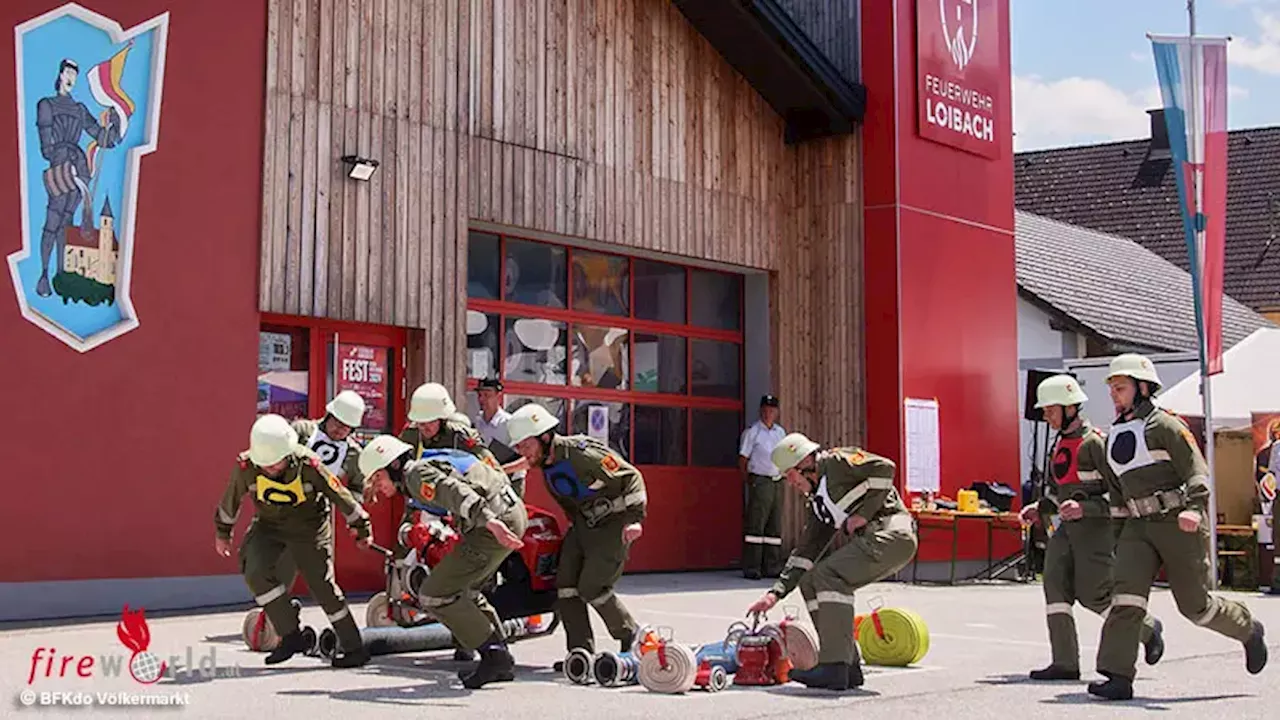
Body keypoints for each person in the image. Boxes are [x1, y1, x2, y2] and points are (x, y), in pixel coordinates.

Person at [1089, 354, 1267, 700]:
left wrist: (1196, 509)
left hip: (1177, 522)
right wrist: (1117, 533)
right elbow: (1116, 490)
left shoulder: (1165, 426)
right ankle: (1118, 675)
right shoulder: (1112, 437)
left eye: (1120, 387)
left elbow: (1196, 470)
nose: (1114, 394)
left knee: (1195, 606)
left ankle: (1247, 628)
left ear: (1142, 388)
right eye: (1111, 388)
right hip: (1137, 527)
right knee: (1126, 596)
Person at [1020, 374, 1165, 681]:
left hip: (1094, 531)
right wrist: (1040, 507)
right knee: (1054, 587)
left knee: (1094, 595)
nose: (1046, 416)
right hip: (1063, 529)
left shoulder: (1096, 443)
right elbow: (1058, 490)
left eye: (1050, 410)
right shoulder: (1059, 444)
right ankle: (1065, 662)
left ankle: (1147, 629)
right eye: (1044, 410)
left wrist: (1084, 508)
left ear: (1070, 408)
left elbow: (1118, 493)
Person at [745, 432, 917, 691]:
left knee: (827, 575)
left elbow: (885, 468)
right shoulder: (820, 505)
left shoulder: (837, 462)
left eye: (790, 475)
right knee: (810, 580)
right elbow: (805, 553)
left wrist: (862, 515)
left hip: (892, 536)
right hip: (878, 541)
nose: (791, 483)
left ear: (804, 464)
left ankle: (834, 666)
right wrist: (774, 595)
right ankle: (847, 666)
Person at [358, 436, 527, 689]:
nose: (378, 487)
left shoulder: (415, 474)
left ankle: (495, 656)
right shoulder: (424, 467)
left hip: (491, 524)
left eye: (378, 478)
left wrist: (489, 521)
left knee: (434, 594)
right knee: (467, 590)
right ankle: (501, 657)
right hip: (510, 513)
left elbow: (454, 491)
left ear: (393, 466)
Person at [213, 414, 373, 668]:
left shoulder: (308, 464)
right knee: (255, 570)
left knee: (322, 587)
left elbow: (340, 495)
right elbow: (230, 499)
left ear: (288, 454)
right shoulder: (246, 466)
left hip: (310, 529)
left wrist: (361, 527)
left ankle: (354, 648)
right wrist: (223, 533)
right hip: (269, 526)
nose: (270, 469)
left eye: (275, 464)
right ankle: (291, 635)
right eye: (265, 464)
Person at [505, 402, 647, 662]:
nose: (522, 451)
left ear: (545, 437)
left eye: (525, 445)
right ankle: (579, 653)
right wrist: (503, 470)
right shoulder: (544, 459)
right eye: (519, 447)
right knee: (566, 587)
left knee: (593, 587)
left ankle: (630, 635)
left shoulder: (580, 453)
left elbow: (631, 476)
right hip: (582, 527)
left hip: (611, 525)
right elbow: (526, 463)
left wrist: (635, 520)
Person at [739, 394, 788, 579]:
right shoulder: (753, 432)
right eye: (765, 410)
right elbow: (743, 459)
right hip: (760, 480)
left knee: (774, 526)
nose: (768, 413)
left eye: (772, 410)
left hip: (777, 480)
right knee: (756, 525)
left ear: (776, 412)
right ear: (761, 411)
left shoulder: (780, 433)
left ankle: (772, 565)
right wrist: (749, 481)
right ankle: (752, 566)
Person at [472, 378, 530, 497]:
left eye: (487, 395)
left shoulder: (510, 423)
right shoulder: (477, 422)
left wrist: (501, 470)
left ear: (499, 396)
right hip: (485, 482)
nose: (482, 399)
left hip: (511, 482)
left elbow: (528, 459)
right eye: (480, 395)